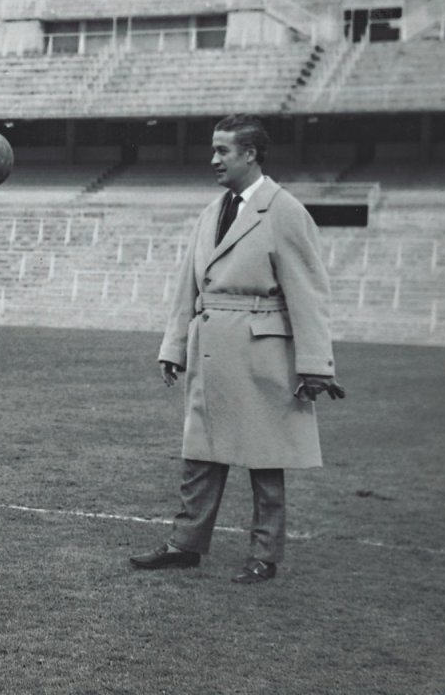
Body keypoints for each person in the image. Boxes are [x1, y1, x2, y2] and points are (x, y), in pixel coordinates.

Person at [129, 114, 344, 584]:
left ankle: (264, 555)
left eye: (222, 150)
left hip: (260, 353)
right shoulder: (211, 212)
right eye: (213, 149)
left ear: (250, 154)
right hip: (210, 347)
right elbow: (188, 287)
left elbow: (309, 293)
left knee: (265, 457)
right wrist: (174, 347)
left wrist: (315, 365)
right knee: (200, 451)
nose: (213, 159)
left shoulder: (284, 211)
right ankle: (185, 545)